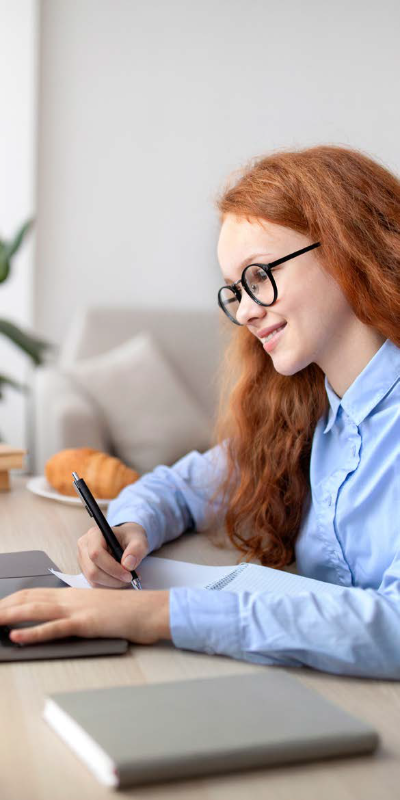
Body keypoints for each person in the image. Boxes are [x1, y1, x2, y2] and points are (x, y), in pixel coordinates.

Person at [1, 143, 400, 678]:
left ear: (347, 248)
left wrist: (156, 615)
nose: (248, 311)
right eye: (236, 290)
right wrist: (127, 523)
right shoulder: (308, 415)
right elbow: (183, 487)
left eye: (259, 276)